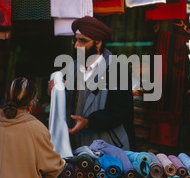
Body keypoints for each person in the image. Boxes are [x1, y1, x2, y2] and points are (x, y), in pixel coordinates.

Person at [49, 16, 136, 151]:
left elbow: (120, 111)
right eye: (75, 40)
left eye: (82, 41)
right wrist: (55, 93)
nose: (76, 46)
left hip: (109, 149)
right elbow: (68, 106)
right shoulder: (71, 69)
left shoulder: (118, 70)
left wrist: (89, 122)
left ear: (98, 43)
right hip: (77, 148)